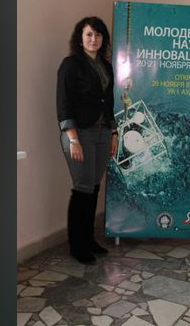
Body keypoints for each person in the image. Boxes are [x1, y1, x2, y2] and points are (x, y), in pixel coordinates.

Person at [56, 16, 118, 264]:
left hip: (103, 133)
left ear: (104, 39)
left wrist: (114, 133)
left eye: (98, 34)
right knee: (82, 188)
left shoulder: (106, 66)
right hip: (79, 134)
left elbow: (109, 103)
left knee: (93, 187)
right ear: (80, 38)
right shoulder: (71, 65)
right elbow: (63, 103)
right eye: (89, 34)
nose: (94, 39)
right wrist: (73, 139)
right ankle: (77, 245)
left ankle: (89, 239)